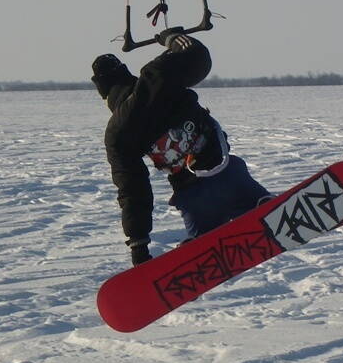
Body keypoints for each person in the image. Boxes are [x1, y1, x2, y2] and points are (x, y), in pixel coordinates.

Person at [92, 29, 271, 266]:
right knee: (254, 200)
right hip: (227, 174)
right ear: (126, 74)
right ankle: (262, 206)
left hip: (191, 195)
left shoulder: (117, 133)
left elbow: (132, 189)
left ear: (104, 94)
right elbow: (196, 55)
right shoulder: (155, 78)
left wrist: (139, 244)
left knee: (201, 239)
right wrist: (172, 38)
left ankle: (195, 248)